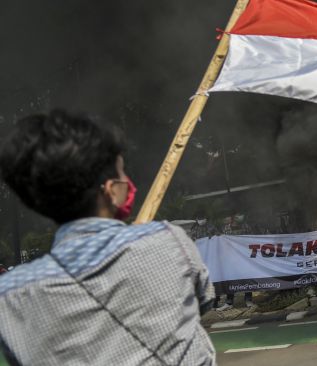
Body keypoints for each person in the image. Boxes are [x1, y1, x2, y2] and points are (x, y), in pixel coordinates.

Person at [0, 111, 216, 365]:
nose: (128, 182)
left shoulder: (11, 296)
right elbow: (204, 302)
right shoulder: (170, 241)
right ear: (111, 191)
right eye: (122, 173)